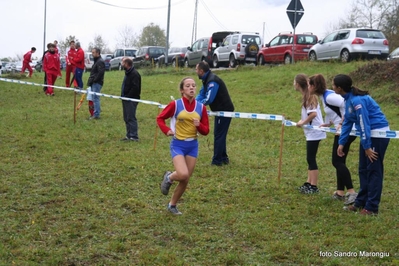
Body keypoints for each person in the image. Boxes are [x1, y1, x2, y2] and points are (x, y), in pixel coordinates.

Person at [334, 74, 390, 215]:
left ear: (339, 88)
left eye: (333, 85)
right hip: (368, 136)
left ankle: (371, 207)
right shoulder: (348, 100)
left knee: (374, 170)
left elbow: (365, 124)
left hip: (377, 134)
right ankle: (361, 202)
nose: (332, 87)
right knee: (363, 169)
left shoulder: (358, 101)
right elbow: (347, 122)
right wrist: (342, 142)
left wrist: (367, 147)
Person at [157, 77, 209, 215]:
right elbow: (160, 118)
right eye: (188, 86)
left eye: (193, 85)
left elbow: (206, 131)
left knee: (185, 179)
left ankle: (172, 205)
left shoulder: (201, 107)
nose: (191, 88)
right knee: (182, 173)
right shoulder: (175, 104)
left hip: (193, 145)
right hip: (178, 144)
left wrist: (200, 126)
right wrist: (166, 130)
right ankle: (169, 177)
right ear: (182, 90)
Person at [309, 74, 358, 205]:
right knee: (340, 161)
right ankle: (340, 192)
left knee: (336, 161)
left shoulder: (330, 96)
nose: (308, 87)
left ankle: (352, 192)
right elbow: (335, 111)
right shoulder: (325, 96)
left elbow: (348, 104)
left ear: (314, 86)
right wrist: (329, 123)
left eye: (309, 85)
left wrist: (343, 122)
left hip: (347, 130)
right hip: (343, 129)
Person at [195, 61, 234, 166]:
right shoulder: (206, 80)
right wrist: (192, 103)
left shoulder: (212, 81)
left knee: (219, 135)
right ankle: (223, 157)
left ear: (201, 71)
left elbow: (208, 99)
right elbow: (201, 94)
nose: (196, 71)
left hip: (225, 110)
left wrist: (198, 106)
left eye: (196, 69)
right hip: (219, 110)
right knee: (219, 134)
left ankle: (217, 161)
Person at [294, 74, 326, 194]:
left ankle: (314, 186)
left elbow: (313, 114)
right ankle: (309, 182)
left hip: (315, 132)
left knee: (311, 158)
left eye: (294, 82)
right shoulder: (306, 96)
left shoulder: (310, 98)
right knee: (310, 158)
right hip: (311, 133)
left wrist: (302, 122)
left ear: (298, 84)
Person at [120, 57, 141, 141]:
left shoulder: (134, 74)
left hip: (132, 99)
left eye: (123, 63)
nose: (122, 64)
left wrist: (128, 96)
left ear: (127, 64)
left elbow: (135, 88)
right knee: (126, 117)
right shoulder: (127, 73)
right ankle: (128, 135)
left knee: (131, 117)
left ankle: (134, 136)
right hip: (125, 99)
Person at [87, 47, 105, 119]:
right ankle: (96, 112)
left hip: (97, 83)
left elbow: (101, 72)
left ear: (98, 53)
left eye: (93, 53)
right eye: (92, 52)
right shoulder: (96, 61)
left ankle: (96, 114)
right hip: (94, 82)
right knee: (94, 98)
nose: (92, 54)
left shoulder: (100, 61)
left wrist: (94, 80)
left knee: (95, 98)